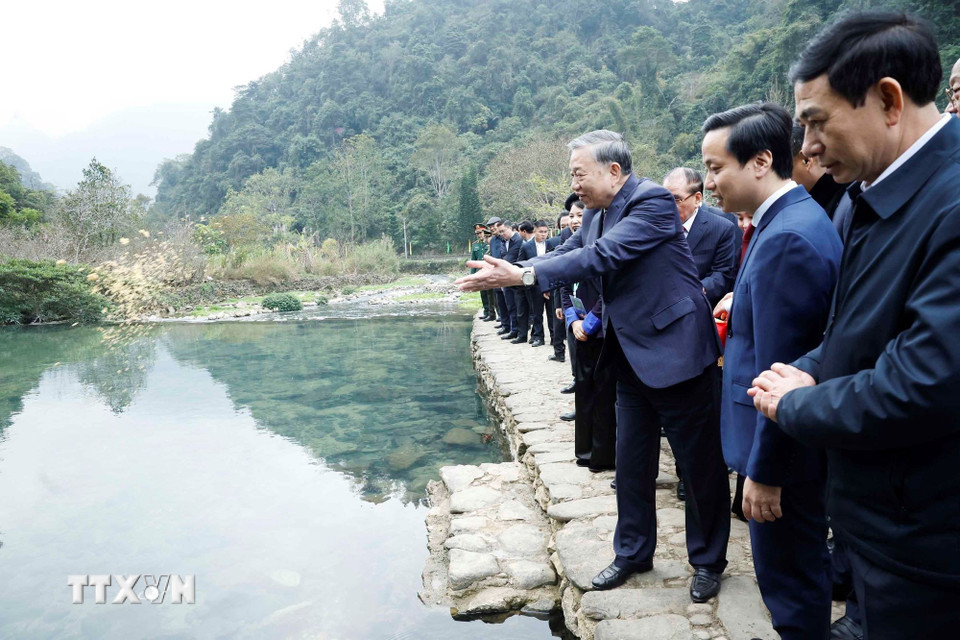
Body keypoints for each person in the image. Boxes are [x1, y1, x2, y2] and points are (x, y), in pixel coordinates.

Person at [749, 12, 960, 639]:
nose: (806, 148)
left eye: (817, 122)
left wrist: (798, 407)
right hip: (877, 525)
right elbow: (860, 334)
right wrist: (809, 367)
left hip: (925, 545)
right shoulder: (868, 198)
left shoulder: (949, 204)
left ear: (888, 100)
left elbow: (928, 380)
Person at [457, 130, 730, 602]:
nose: (575, 185)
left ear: (614, 171)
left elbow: (604, 256)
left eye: (579, 174)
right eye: (572, 176)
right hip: (628, 354)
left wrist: (523, 273)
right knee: (631, 461)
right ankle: (633, 552)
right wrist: (514, 274)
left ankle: (707, 561)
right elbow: (569, 251)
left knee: (698, 465)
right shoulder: (599, 213)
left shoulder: (652, 202)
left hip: (678, 349)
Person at [703, 102, 842, 640]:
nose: (710, 181)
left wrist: (765, 473)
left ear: (761, 161)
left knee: (791, 583)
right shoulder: (782, 221)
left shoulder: (786, 237)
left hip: (785, 458)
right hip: (781, 451)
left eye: (716, 168)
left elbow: (781, 372)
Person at [663, 168, 740, 307]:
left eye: (676, 199)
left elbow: (721, 275)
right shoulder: (656, 225)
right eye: (664, 199)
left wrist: (694, 290)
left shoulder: (721, 228)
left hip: (697, 308)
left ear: (697, 198)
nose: (667, 206)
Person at [517, 221, 552, 347]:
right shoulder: (527, 246)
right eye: (540, 232)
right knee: (537, 313)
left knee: (551, 312)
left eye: (545, 232)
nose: (543, 235)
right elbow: (520, 263)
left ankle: (555, 337)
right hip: (534, 284)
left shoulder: (552, 244)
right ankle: (538, 337)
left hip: (550, 283)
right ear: (535, 231)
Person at [497, 220, 523, 341]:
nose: (502, 234)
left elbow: (510, 259)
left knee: (519, 307)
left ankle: (521, 331)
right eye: (500, 232)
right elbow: (502, 257)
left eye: (503, 231)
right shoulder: (503, 242)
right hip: (506, 278)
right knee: (510, 305)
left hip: (517, 277)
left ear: (510, 228)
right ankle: (514, 330)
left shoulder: (518, 240)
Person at [471, 224, 496, 322]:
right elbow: (473, 260)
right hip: (480, 272)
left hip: (489, 271)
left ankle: (493, 312)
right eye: (477, 234)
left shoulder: (489, 243)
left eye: (480, 233)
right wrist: (472, 275)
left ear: (484, 233)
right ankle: (486, 312)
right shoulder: (475, 245)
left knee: (491, 293)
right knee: (483, 293)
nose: (479, 235)